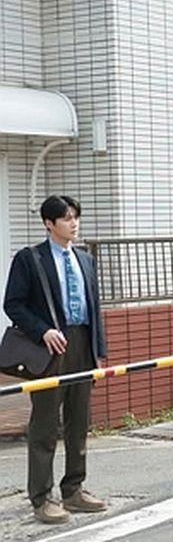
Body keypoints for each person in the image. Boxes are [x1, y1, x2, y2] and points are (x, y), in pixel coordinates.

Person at [3, 195, 108, 524]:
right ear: (49, 224)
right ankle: (41, 496)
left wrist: (97, 352)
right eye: (66, 218)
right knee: (45, 423)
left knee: (79, 420)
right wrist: (42, 330)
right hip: (50, 346)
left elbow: (94, 308)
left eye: (75, 217)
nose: (73, 224)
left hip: (81, 344)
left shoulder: (85, 259)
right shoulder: (29, 259)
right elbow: (14, 304)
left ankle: (74, 489)